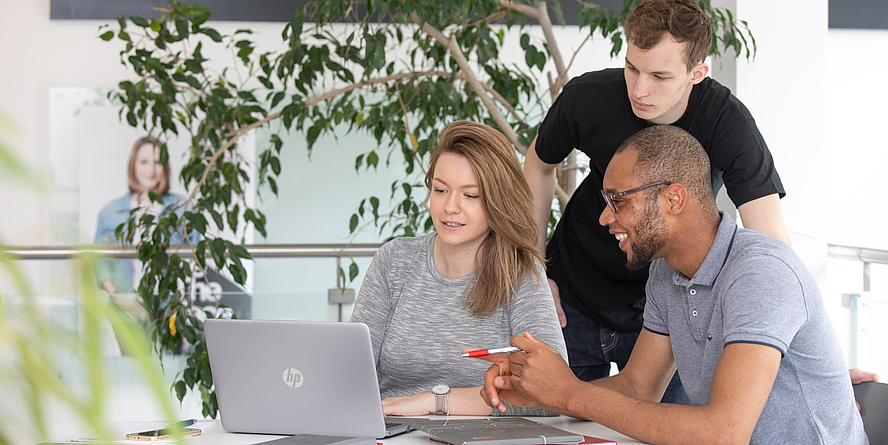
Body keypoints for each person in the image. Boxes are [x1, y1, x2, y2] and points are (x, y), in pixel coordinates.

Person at [478, 126, 868, 444]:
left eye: (618, 201)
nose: (603, 218)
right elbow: (637, 387)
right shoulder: (666, 273)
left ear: (674, 199)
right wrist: (542, 394)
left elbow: (724, 432)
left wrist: (568, 393)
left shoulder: (760, 273)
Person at [523, 0, 789, 401]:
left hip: (671, 310)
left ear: (697, 72)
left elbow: (772, 250)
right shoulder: (588, 98)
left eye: (660, 76)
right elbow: (539, 165)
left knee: (675, 429)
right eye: (632, 68)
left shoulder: (728, 124)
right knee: (555, 427)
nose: (639, 89)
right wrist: (534, 270)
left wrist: (802, 354)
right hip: (574, 294)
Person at [350, 120, 567, 416]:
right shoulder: (394, 260)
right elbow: (349, 372)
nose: (450, 207)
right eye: (440, 190)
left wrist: (432, 402)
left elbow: (552, 395)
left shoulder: (521, 273)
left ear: (498, 199)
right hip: (390, 432)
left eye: (470, 195)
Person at [94, 136, 197, 320]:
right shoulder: (110, 212)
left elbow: (193, 257)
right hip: (127, 302)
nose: (151, 169)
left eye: (157, 162)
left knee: (171, 350)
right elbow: (100, 262)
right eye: (144, 162)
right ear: (133, 166)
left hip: (170, 303)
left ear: (165, 167)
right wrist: (116, 296)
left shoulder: (182, 207)